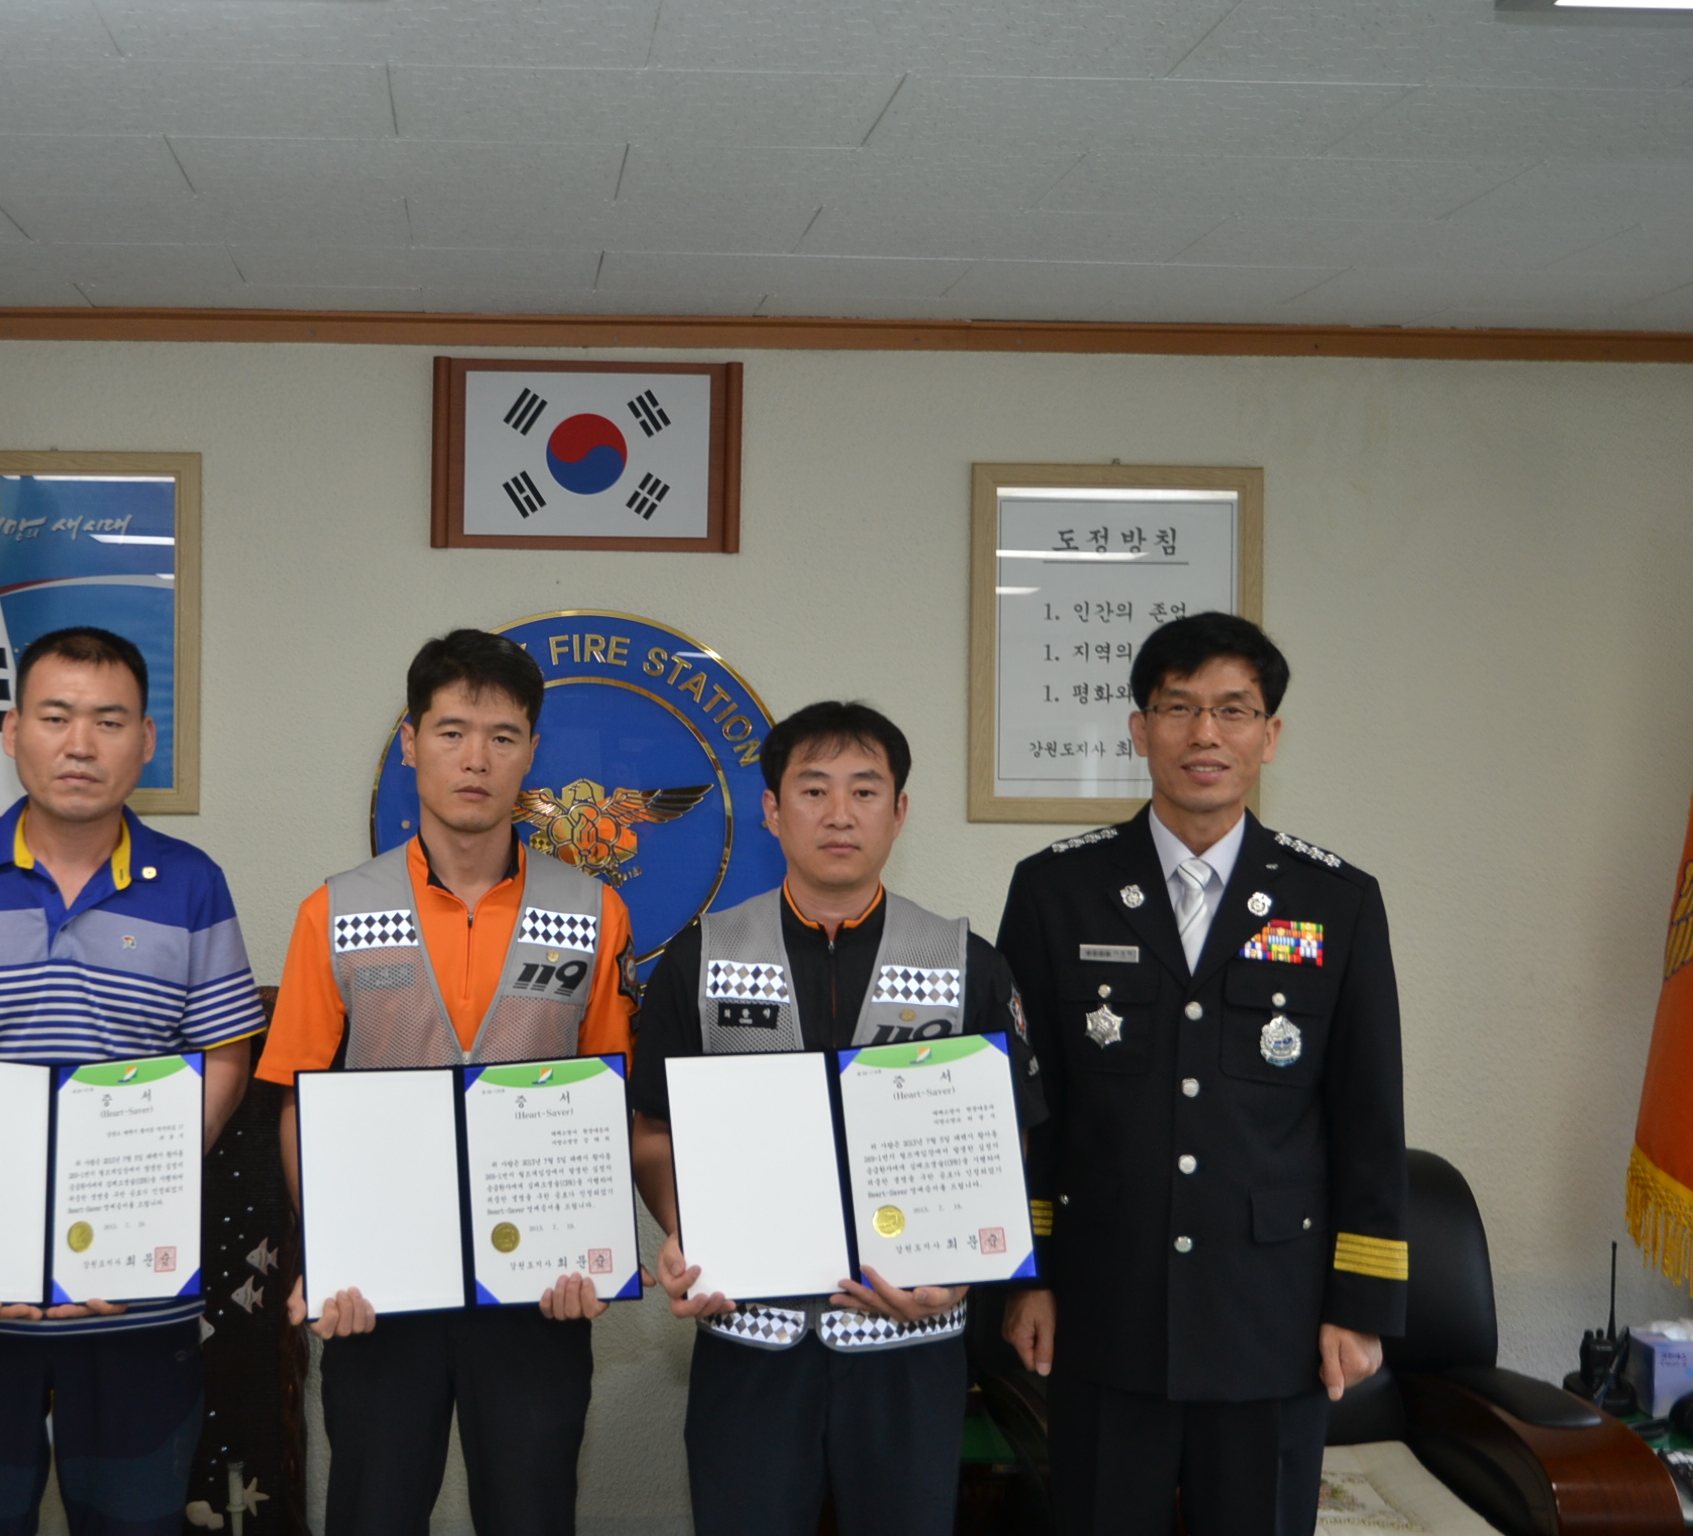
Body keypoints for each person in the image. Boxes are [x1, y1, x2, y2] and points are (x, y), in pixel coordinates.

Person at [996, 611, 1406, 1536]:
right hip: (1104, 1309)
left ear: (1270, 735)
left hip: (1273, 1319)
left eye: (1233, 710)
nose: (1205, 734)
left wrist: (1361, 1303)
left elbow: (1368, 1117)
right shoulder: (1056, 890)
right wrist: (1028, 1275)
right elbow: (1027, 1110)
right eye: (1179, 708)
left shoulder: (1337, 901)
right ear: (1140, 730)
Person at [0, 626, 266, 1536]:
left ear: (145, 740)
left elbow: (225, 1057)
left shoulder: (192, 883)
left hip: (133, 1305)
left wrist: (147, 1194)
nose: (80, 744)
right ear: (13, 731)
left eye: (108, 721)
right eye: (55, 717)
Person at [630, 701, 1047, 1536]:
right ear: (772, 810)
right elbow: (652, 1132)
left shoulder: (964, 962)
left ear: (899, 811)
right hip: (750, 1338)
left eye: (865, 790)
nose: (839, 814)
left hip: (910, 1343)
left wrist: (967, 1267)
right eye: (814, 790)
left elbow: (1013, 1137)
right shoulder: (700, 958)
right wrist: (688, 1232)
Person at [261, 628, 639, 1536]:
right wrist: (335, 1249)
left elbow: (608, 1102)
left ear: (531, 753)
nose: (477, 759)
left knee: (533, 1516)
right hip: (381, 1296)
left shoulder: (592, 910)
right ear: (411, 744)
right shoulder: (335, 911)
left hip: (537, 1293)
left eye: (502, 737)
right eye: (452, 732)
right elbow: (300, 1104)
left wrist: (595, 1251)